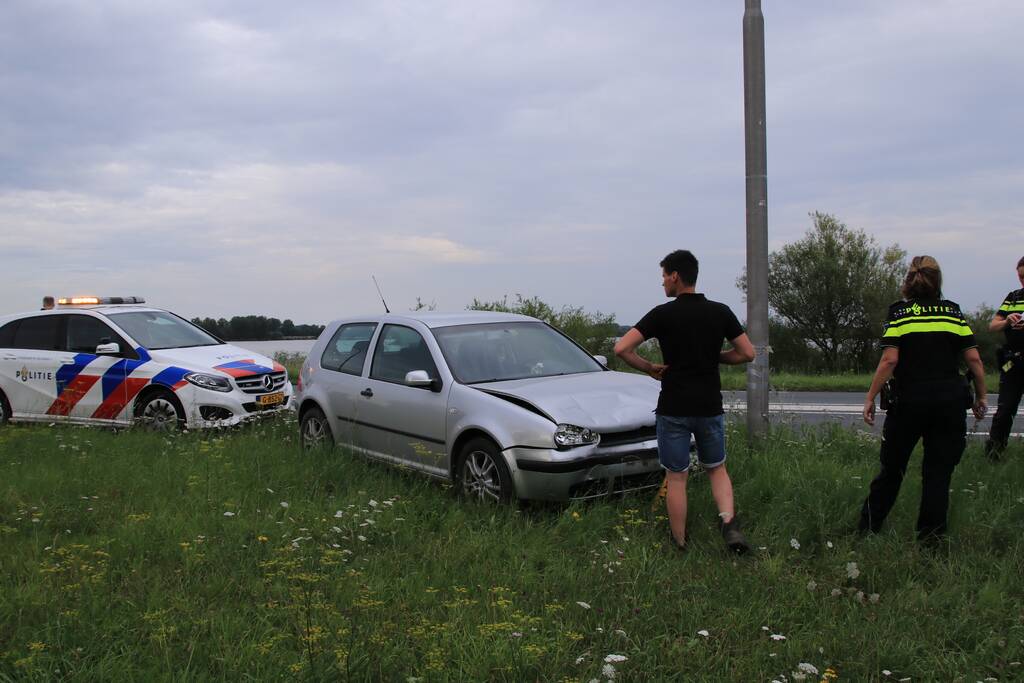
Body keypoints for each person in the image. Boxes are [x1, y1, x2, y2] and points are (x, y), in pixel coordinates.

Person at [614, 249, 755, 554]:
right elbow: (747, 353)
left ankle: (679, 543)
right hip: (709, 406)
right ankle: (729, 524)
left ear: (675, 276)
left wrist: (649, 368)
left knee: (677, 477)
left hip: (674, 407)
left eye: (664, 275)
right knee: (717, 468)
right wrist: (715, 356)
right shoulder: (720, 312)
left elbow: (622, 348)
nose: (663, 282)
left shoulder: (662, 314)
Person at [859, 255, 987, 543]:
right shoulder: (953, 312)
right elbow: (974, 360)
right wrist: (981, 396)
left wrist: (870, 397)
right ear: (938, 281)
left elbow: (890, 360)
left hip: (909, 402)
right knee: (938, 473)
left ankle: (868, 529)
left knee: (892, 469)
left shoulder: (900, 313)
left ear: (908, 281)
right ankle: (931, 540)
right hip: (949, 403)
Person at [984, 256, 1024, 460]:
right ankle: (994, 453)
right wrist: (1007, 321)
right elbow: (993, 326)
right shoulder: (1013, 297)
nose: (1023, 280)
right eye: (1020, 276)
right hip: (1013, 362)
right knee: (1005, 409)